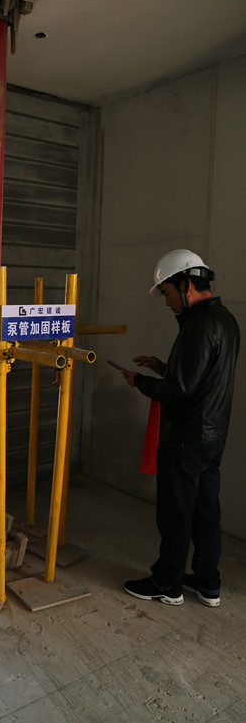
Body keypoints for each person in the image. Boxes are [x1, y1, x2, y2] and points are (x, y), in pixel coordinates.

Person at [120, 249, 240, 606]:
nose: (167, 302)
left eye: (168, 294)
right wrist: (161, 366)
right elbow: (201, 377)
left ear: (186, 285)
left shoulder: (198, 325)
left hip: (187, 437)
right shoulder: (225, 319)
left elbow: (180, 390)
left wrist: (140, 382)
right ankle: (207, 582)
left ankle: (166, 583)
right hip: (213, 437)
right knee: (206, 511)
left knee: (176, 512)